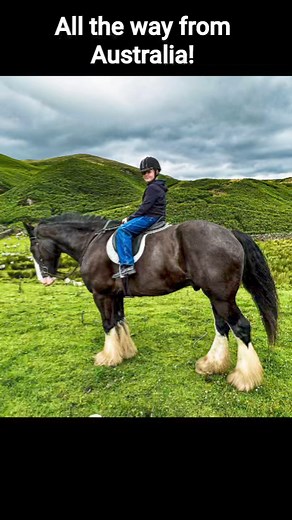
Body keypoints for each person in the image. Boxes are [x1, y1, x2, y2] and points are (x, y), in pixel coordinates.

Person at [112, 156, 168, 279]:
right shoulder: (157, 186)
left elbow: (145, 208)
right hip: (156, 216)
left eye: (148, 172)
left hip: (150, 217)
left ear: (156, 171)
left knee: (123, 230)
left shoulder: (153, 188)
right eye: (143, 173)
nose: (146, 175)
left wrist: (129, 218)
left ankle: (127, 265)